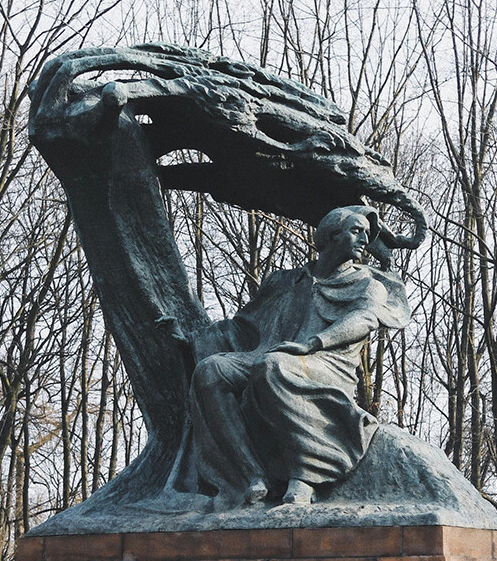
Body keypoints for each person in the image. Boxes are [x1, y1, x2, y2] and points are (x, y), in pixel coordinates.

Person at [164, 206, 411, 509]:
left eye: (367, 234)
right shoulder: (284, 281)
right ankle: (251, 475)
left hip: (327, 363)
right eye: (357, 231)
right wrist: (192, 340)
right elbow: (243, 325)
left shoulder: (368, 285)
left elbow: (363, 319)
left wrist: (312, 344)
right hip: (270, 353)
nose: (364, 240)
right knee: (211, 371)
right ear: (333, 234)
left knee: (272, 367)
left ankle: (304, 475)